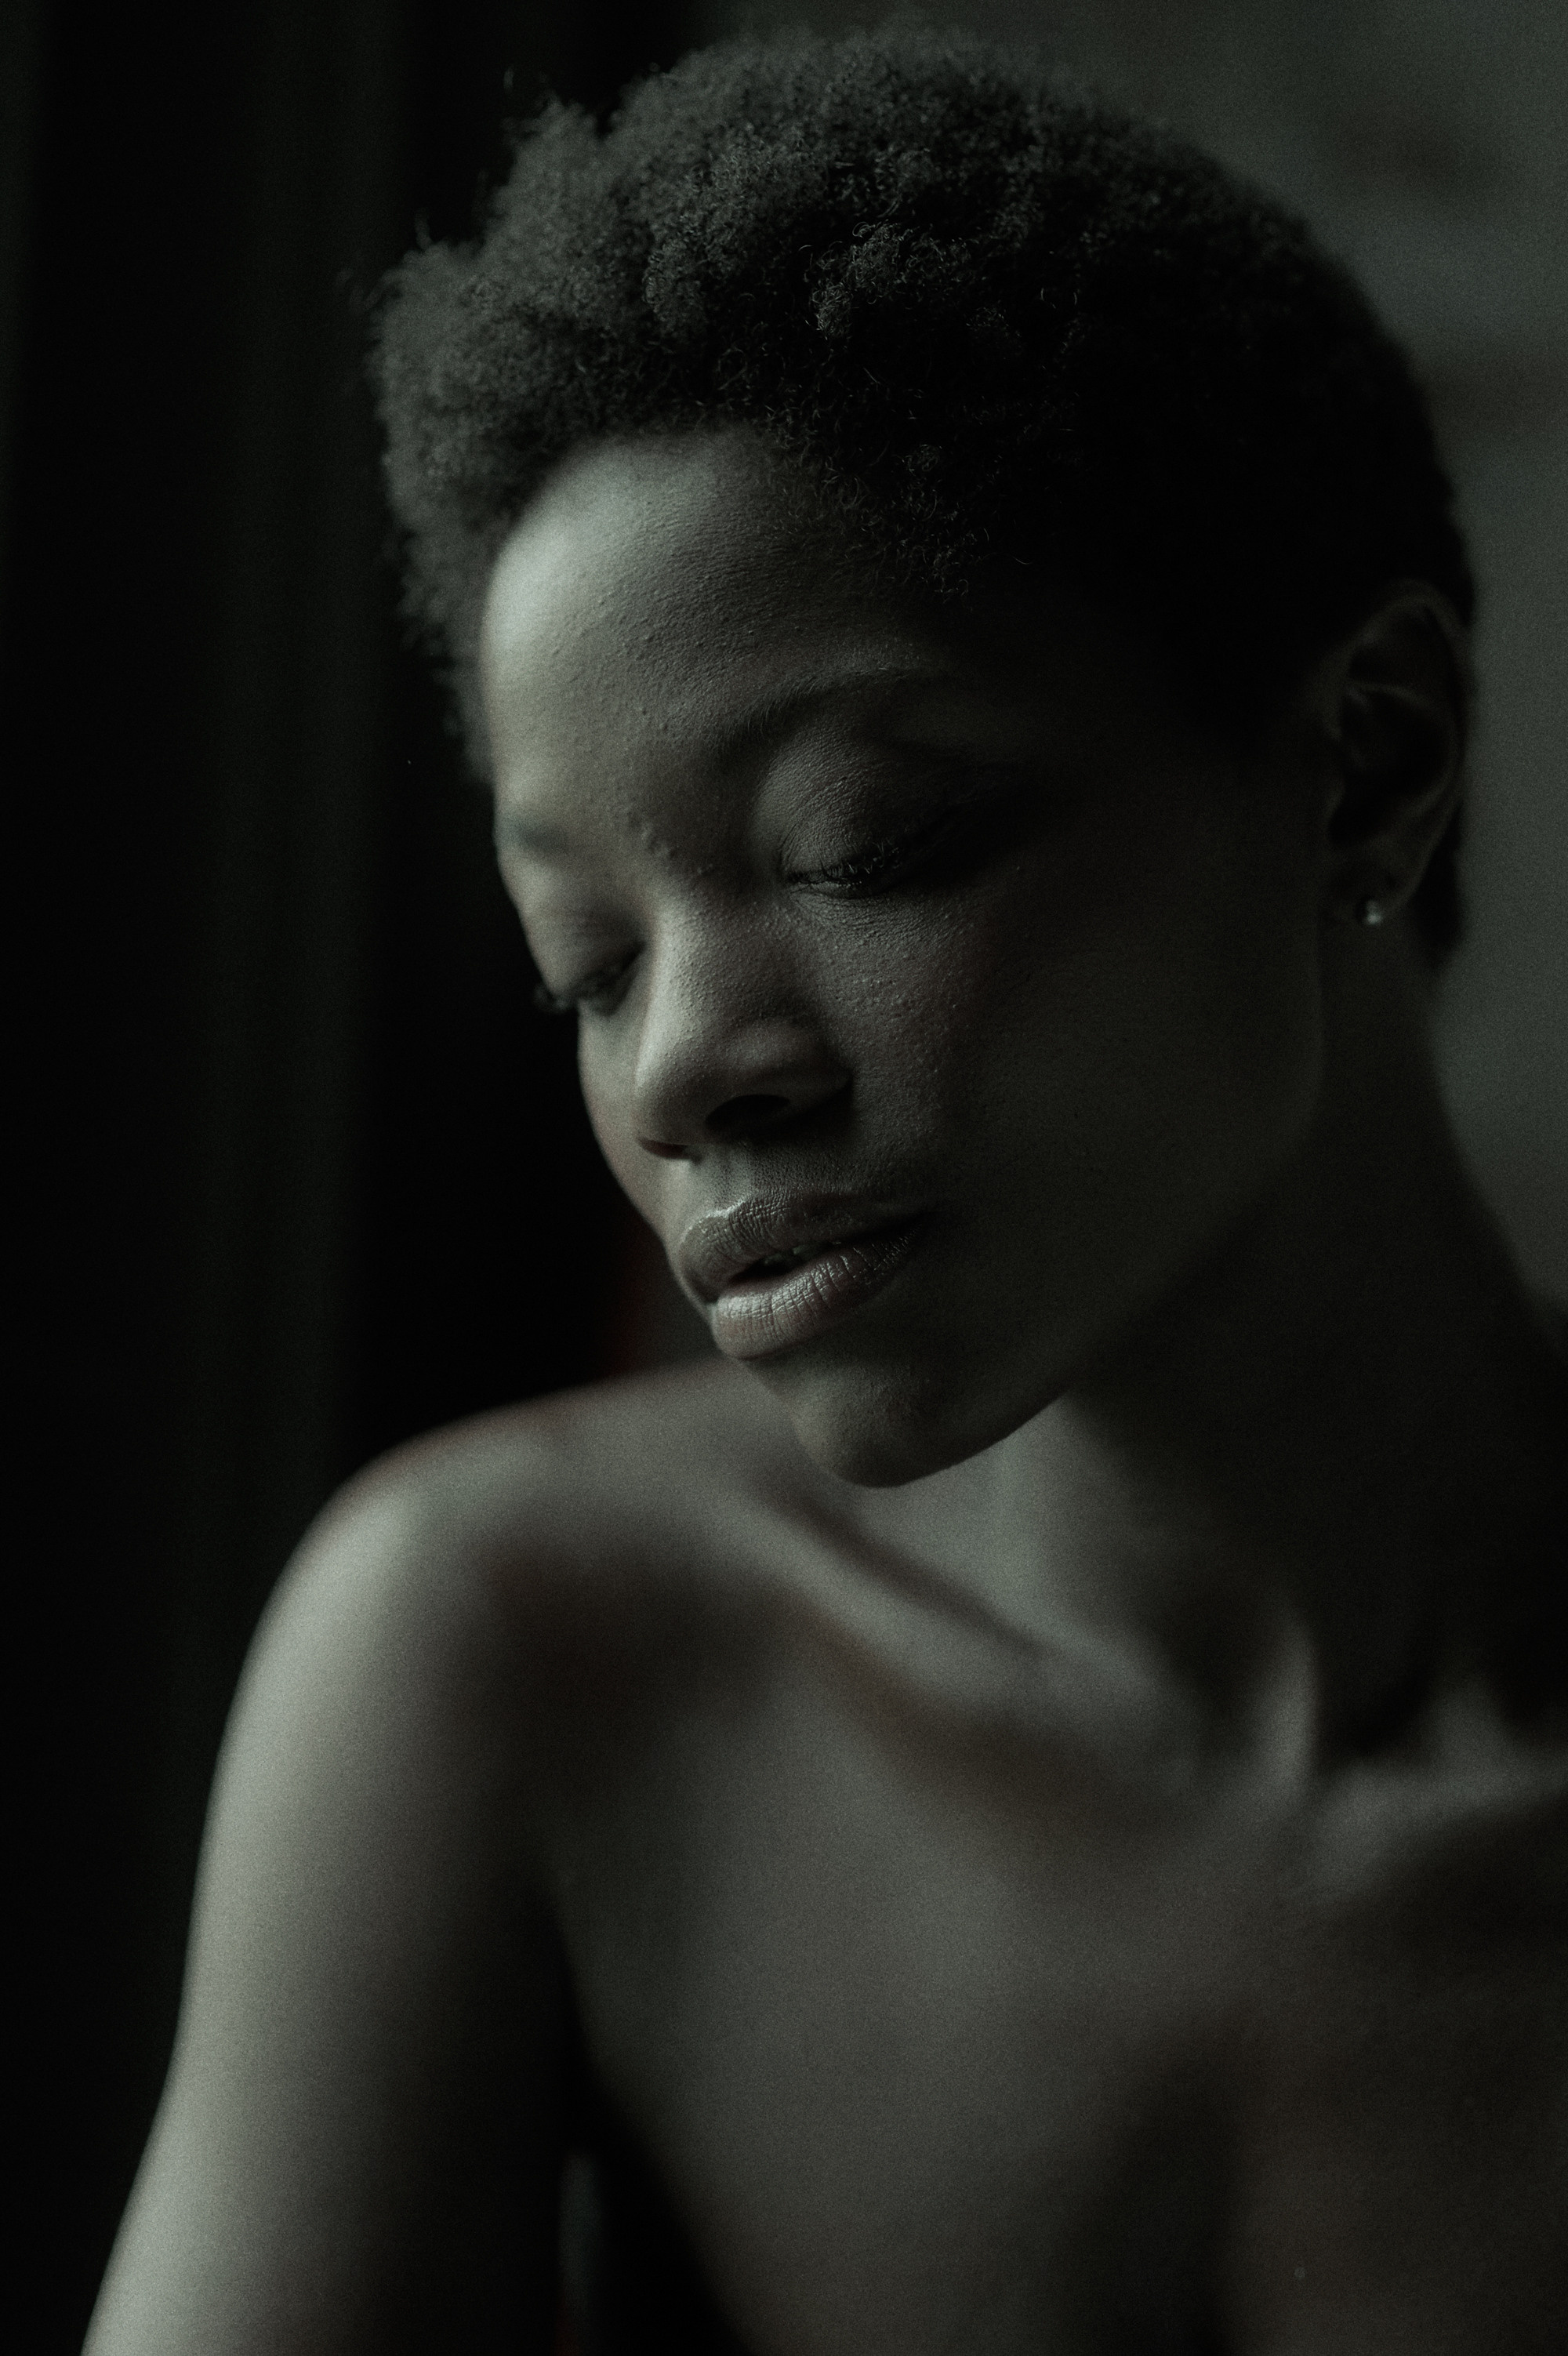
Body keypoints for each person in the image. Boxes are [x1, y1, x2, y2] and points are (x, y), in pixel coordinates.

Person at [86, 27, 1566, 2354]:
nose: (684, 1066)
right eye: (586, 961)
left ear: (1366, 769)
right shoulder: (516, 1663)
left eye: (872, 843)